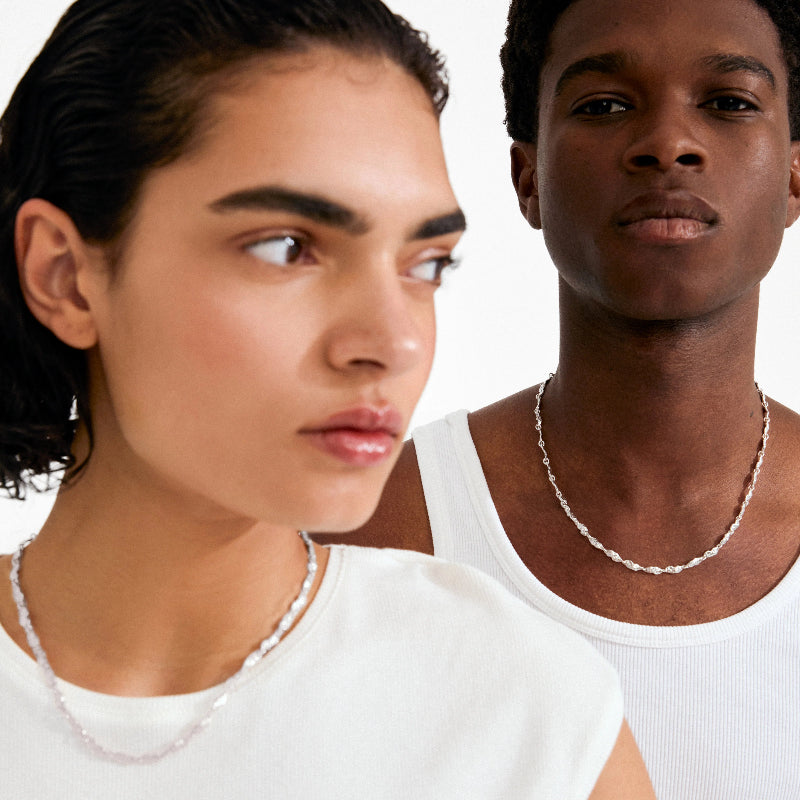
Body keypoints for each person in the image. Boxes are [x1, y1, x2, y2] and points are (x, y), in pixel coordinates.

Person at [0, 0, 657, 797]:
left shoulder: (523, 709)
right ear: (64, 277)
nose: (392, 342)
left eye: (426, 263)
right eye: (288, 248)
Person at [322, 0, 800, 797]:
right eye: (605, 105)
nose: (668, 145)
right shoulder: (378, 525)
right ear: (527, 175)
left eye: (728, 103)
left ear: (794, 174)